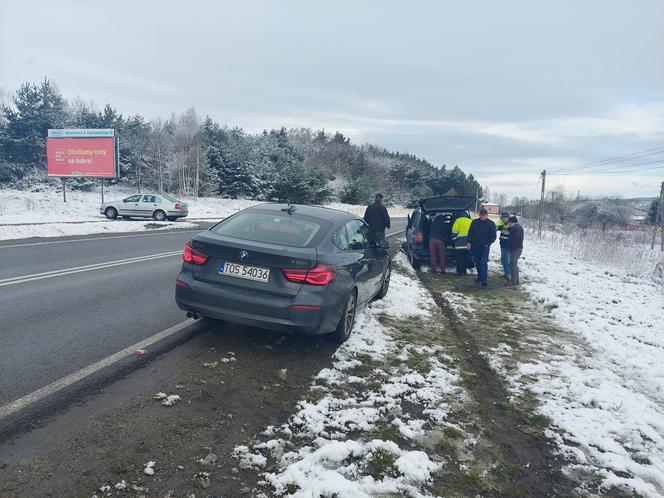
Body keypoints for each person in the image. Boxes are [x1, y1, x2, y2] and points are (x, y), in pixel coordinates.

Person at [467, 208, 496, 287]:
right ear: (479, 215)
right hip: (475, 246)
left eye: (484, 215)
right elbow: (470, 233)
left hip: (485, 247)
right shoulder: (474, 222)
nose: (482, 217)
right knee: (477, 262)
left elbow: (493, 236)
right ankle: (480, 276)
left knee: (483, 262)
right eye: (481, 215)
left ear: (487, 215)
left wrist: (488, 243)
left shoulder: (491, 224)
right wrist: (469, 242)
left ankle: (484, 280)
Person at [506, 215, 523, 286]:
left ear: (512, 222)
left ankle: (513, 281)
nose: (508, 223)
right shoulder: (516, 227)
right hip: (516, 249)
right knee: (514, 264)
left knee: (513, 265)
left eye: (509, 222)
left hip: (515, 249)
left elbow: (517, 240)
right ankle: (516, 280)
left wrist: (511, 247)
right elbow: (511, 229)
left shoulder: (517, 228)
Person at [496, 211, 511, 281]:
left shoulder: (511, 223)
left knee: (507, 260)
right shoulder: (501, 222)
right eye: (503, 217)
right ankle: (506, 273)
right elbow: (496, 227)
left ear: (508, 217)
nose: (505, 219)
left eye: (506, 217)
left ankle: (509, 274)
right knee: (503, 259)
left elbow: (513, 229)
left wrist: (507, 228)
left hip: (509, 245)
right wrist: (503, 227)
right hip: (502, 243)